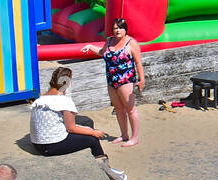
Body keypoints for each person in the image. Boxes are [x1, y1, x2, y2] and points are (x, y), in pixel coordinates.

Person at [82, 18, 144, 148]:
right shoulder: (109, 41)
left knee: (130, 109)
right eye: (115, 28)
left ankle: (134, 137)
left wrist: (141, 80)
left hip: (126, 80)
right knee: (119, 109)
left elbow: (138, 63)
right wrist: (90, 47)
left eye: (120, 28)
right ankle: (124, 135)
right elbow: (101, 52)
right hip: (111, 80)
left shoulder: (131, 43)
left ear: (125, 29)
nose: (117, 30)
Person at [30, 68, 111, 162]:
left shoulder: (42, 98)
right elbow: (71, 128)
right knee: (92, 140)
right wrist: (93, 132)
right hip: (50, 146)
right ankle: (102, 163)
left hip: (37, 143)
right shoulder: (64, 101)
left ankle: (84, 149)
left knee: (86, 121)